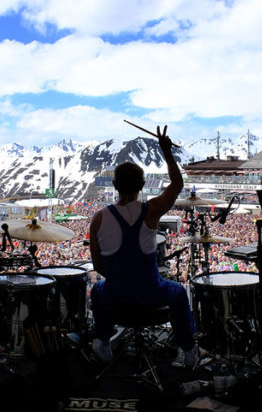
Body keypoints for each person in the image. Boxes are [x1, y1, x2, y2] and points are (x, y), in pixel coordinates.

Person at [89, 126, 200, 367]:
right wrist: (166, 152)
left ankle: (103, 342)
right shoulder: (151, 211)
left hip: (116, 295)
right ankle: (189, 350)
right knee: (179, 292)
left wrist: (121, 278)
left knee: (97, 290)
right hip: (151, 293)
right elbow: (177, 184)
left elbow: (98, 265)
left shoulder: (98, 219)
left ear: (115, 185)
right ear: (142, 185)